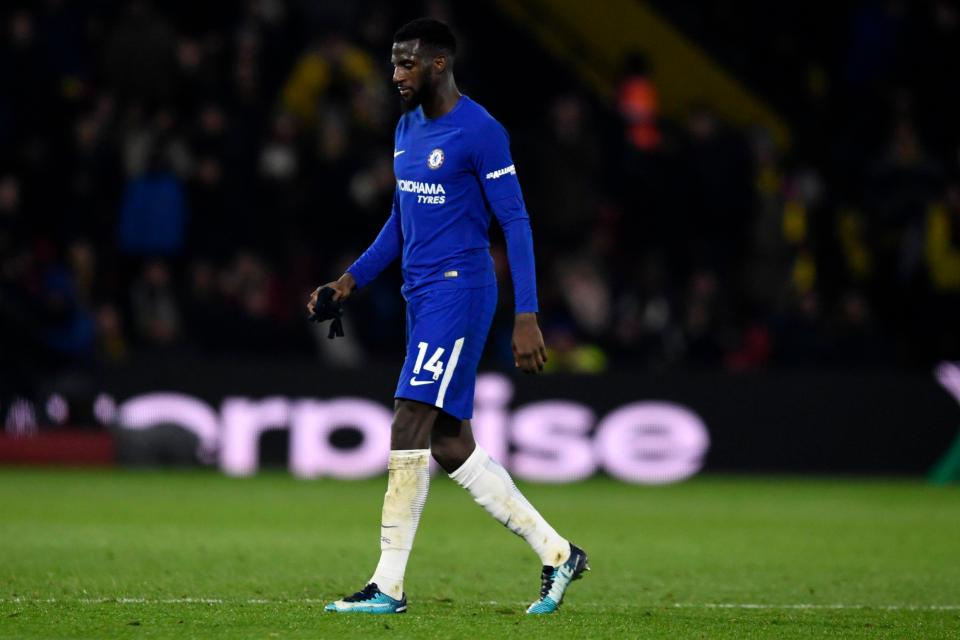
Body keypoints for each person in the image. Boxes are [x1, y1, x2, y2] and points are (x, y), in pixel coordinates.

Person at [309, 18, 588, 615]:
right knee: (451, 443)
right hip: (422, 294)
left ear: (439, 64)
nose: (395, 75)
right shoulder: (407, 127)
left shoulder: (481, 131)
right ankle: (558, 553)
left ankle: (386, 586)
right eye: (392, 63)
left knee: (409, 415)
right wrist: (348, 281)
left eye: (406, 63)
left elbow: (515, 221)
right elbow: (400, 220)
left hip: (461, 292)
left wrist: (527, 314)